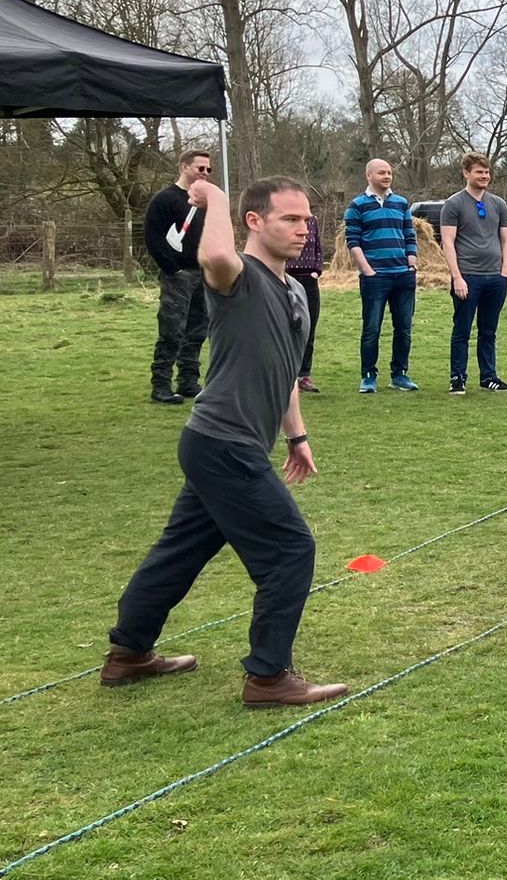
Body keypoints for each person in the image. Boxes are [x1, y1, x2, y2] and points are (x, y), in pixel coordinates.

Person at [103, 175, 349, 707]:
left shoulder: (295, 294)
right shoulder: (236, 276)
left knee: (180, 552)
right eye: (289, 218)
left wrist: (297, 435)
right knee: (290, 548)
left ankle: (128, 653)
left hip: (227, 445)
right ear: (254, 222)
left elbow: (282, 372)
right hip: (223, 443)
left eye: (306, 219)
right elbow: (213, 252)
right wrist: (212, 195)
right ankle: (268, 677)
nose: (303, 229)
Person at [439, 152, 507, 394]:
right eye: (479, 172)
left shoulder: (499, 204)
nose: (484, 176)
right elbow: (448, 242)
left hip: (495, 277)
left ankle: (489, 376)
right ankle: (457, 378)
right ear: (466, 173)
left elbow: (506, 238)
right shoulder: (453, 204)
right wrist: (457, 277)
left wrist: (505, 270)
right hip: (468, 276)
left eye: (487, 172)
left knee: (488, 330)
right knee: (462, 329)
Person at [142, 149, 213, 404]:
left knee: (197, 330)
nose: (205, 173)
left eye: (208, 169)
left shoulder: (205, 203)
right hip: (178, 275)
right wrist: (173, 269)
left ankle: (188, 381)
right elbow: (153, 237)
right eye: (200, 168)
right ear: (184, 167)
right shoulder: (165, 200)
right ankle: (161, 384)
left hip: (204, 274)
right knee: (172, 329)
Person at [343, 157, 419, 393]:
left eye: (389, 173)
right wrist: (367, 269)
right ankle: (368, 376)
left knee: (404, 328)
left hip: (403, 275)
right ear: (369, 176)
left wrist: (411, 263)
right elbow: (352, 241)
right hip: (375, 277)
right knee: (372, 328)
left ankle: (400, 374)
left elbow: (409, 235)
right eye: (381, 173)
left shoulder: (401, 203)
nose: (387, 176)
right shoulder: (357, 206)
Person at [289, 210, 324, 393]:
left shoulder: (313, 221)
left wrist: (317, 270)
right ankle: (287, 375)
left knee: (308, 329)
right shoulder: (284, 220)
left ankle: (304, 375)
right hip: (287, 278)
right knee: (285, 329)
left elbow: (318, 248)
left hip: (310, 280)